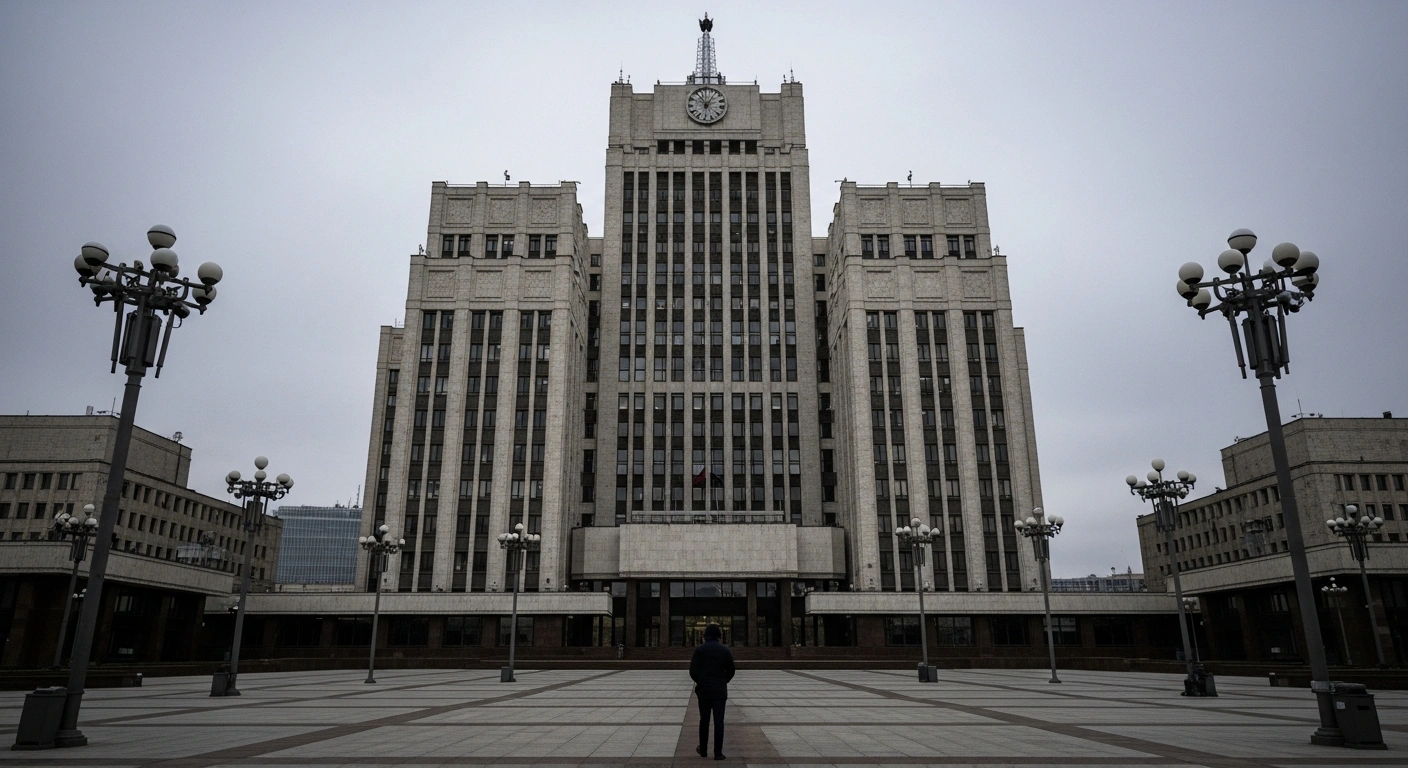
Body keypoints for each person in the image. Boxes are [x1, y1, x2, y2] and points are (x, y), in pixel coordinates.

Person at [689, 623, 735, 760]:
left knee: (704, 720)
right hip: (719, 690)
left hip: (704, 690)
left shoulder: (700, 650)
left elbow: (692, 671)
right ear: (719, 635)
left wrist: (700, 681)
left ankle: (703, 749)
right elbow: (732, 670)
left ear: (705, 635)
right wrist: (724, 681)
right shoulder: (724, 650)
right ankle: (718, 753)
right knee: (719, 721)